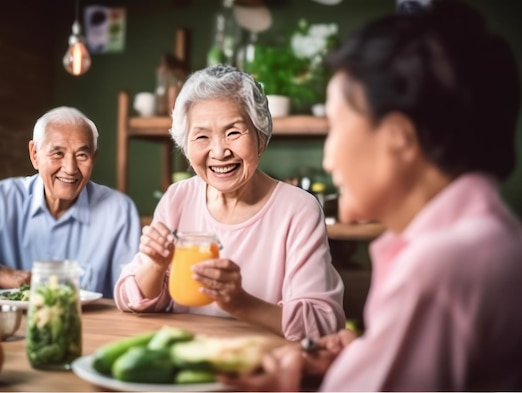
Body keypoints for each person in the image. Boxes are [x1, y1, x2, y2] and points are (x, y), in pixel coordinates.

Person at [219, 0, 522, 390]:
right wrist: (364, 355)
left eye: (336, 126)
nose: (329, 158)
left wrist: (278, 386)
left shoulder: (437, 268)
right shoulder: (486, 234)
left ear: (399, 136)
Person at [114, 65, 345, 341]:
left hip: (262, 368)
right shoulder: (178, 198)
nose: (219, 151)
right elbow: (130, 298)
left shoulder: (298, 210)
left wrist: (239, 301)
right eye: (201, 137)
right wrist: (156, 265)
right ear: (186, 147)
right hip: (185, 361)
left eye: (233, 132)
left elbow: (321, 323)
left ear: (261, 137)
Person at [0, 106, 141, 298]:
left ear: (94, 157)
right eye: (58, 153)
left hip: (90, 332)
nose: (70, 168)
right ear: (35, 154)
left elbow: (131, 294)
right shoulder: (2, 199)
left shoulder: (118, 211)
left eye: (82, 155)